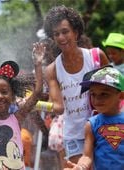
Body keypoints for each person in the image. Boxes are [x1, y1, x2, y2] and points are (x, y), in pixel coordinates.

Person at [43, 5, 110, 166]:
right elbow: (58, 108)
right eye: (56, 34)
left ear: (76, 32)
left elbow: (114, 91)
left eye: (65, 31)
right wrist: (34, 104)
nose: (60, 37)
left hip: (101, 129)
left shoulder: (96, 57)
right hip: (73, 135)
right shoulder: (52, 69)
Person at [65, 66, 124, 170]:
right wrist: (81, 167)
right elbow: (87, 156)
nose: (97, 99)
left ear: (121, 96)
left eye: (104, 94)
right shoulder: (92, 124)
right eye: (93, 94)